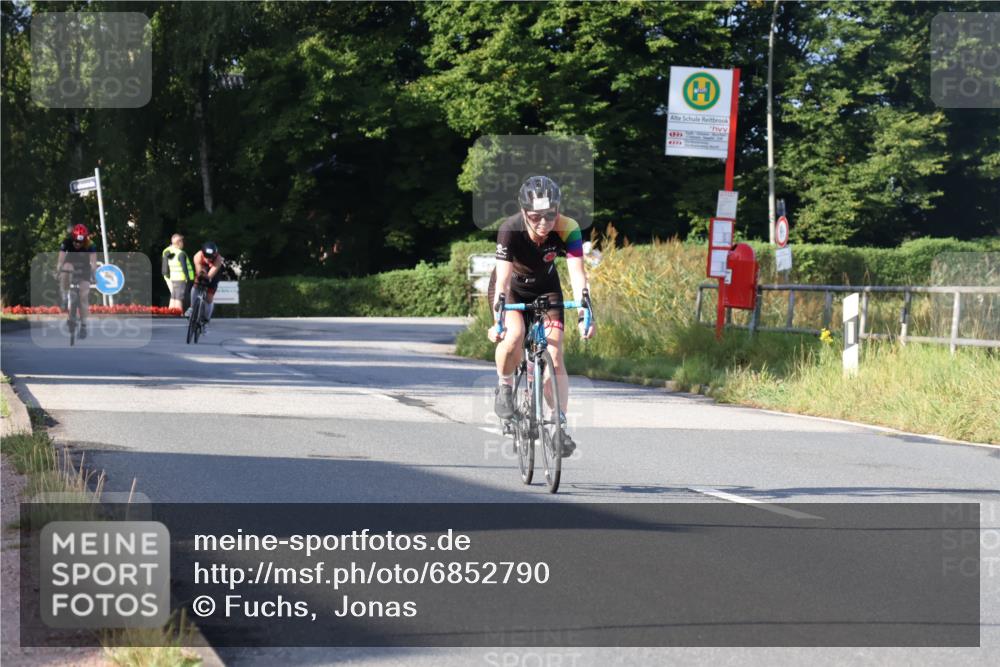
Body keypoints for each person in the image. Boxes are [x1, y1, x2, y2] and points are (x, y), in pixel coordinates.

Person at [487, 176, 595, 456]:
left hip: (547, 289)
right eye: (536, 216)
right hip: (511, 289)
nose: (544, 223)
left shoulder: (568, 228)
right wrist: (497, 321)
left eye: (550, 215)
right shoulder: (510, 229)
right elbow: (502, 282)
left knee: (556, 353)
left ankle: (559, 426)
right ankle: (505, 385)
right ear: (524, 212)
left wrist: (586, 312)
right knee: (515, 335)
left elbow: (578, 276)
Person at [56, 224, 98, 339]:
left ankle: (84, 325)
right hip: (70, 264)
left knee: (84, 296)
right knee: (66, 268)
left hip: (84, 268)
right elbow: (60, 260)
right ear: (72, 238)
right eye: (76, 242)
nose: (78, 244)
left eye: (81, 242)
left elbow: (93, 263)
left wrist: (94, 274)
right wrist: (59, 270)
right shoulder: (67, 241)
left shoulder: (90, 244)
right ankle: (64, 296)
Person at [188, 241, 224, 332]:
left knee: (209, 297)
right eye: (206, 257)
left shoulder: (218, 259)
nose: (208, 259)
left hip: (214, 272)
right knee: (196, 283)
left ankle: (206, 320)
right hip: (202, 268)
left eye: (211, 257)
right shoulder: (198, 256)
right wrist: (201, 275)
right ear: (203, 253)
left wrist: (208, 278)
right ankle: (192, 308)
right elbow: (199, 271)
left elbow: (211, 274)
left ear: (215, 255)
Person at [161, 234, 194, 311]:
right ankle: (178, 314)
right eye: (182, 241)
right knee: (179, 297)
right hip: (181, 278)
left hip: (173, 278)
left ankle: (170, 314)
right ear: (179, 242)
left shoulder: (171, 253)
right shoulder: (180, 253)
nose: (183, 243)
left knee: (173, 297)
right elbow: (184, 267)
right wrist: (187, 277)